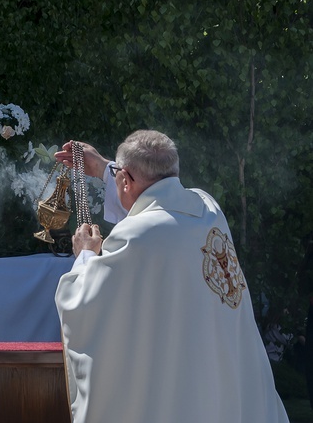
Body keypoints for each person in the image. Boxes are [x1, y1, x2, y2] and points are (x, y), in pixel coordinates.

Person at [53, 130, 289, 423]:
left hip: (180, 388)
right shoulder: (208, 209)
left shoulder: (136, 237)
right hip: (223, 378)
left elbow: (83, 303)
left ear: (125, 180)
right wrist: (104, 168)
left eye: (119, 178)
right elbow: (154, 198)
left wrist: (86, 255)